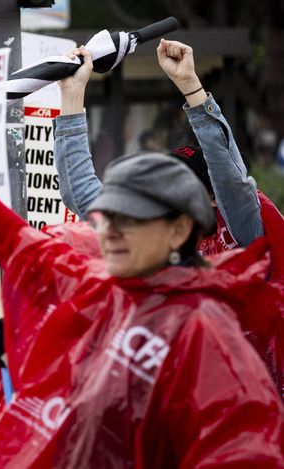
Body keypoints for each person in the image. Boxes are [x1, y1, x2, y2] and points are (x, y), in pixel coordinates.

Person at [0, 110, 284, 467]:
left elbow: (243, 450)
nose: (111, 232)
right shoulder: (101, 289)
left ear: (180, 229)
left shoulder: (206, 330)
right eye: (108, 218)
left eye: (133, 219)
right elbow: (16, 241)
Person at [54, 39, 284, 395]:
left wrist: (191, 87)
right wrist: (72, 95)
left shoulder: (245, 234)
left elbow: (232, 180)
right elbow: (82, 195)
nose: (160, 202)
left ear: (211, 199)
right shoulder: (155, 244)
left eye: (177, 191)